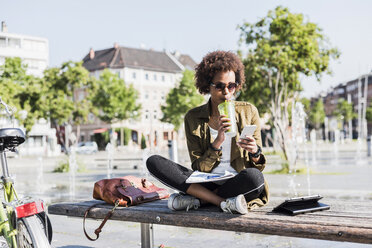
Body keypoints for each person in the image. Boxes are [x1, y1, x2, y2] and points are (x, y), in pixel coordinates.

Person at [146, 50, 268, 214]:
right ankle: (223, 202)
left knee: (255, 178)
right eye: (219, 86)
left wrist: (255, 151)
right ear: (207, 86)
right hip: (206, 181)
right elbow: (199, 167)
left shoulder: (249, 112)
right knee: (154, 162)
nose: (226, 92)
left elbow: (258, 165)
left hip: (237, 181)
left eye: (231, 86)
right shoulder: (193, 117)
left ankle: (199, 200)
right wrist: (217, 142)